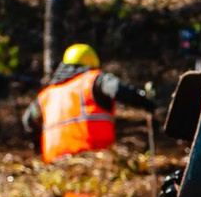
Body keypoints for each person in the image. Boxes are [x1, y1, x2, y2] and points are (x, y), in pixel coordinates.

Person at [21, 44, 155, 161]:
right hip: (93, 158)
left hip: (54, 162)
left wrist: (38, 147)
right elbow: (117, 89)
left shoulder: (46, 95)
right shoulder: (94, 80)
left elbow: (28, 121)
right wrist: (146, 103)